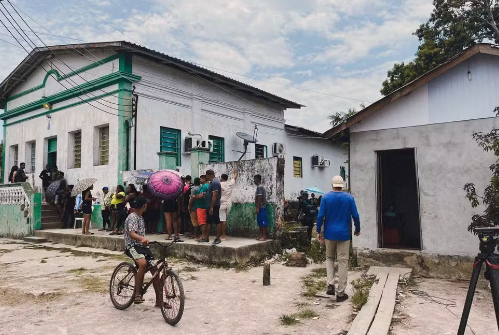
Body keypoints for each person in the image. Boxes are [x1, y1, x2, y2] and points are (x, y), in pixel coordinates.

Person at [316, 176, 360, 303]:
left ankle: (330, 284)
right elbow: (355, 215)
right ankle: (340, 293)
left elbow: (320, 216)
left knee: (329, 258)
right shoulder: (349, 198)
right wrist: (357, 229)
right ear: (343, 185)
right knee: (343, 262)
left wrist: (319, 231)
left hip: (329, 234)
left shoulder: (325, 197)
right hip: (344, 235)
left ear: (332, 185)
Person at [123, 196, 166, 308]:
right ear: (144, 206)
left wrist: (144, 240)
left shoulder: (140, 217)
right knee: (143, 264)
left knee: (155, 270)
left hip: (142, 247)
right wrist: (142, 239)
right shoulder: (132, 217)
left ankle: (159, 301)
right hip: (132, 246)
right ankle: (137, 294)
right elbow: (132, 233)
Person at [204, 170, 222, 245]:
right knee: (208, 222)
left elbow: (215, 195)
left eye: (206, 176)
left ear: (208, 175)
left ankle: (218, 238)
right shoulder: (212, 182)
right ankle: (206, 238)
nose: (206, 177)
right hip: (210, 205)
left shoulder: (215, 182)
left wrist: (211, 207)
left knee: (217, 221)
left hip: (214, 206)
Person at [220, 170, 238, 240]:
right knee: (224, 219)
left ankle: (223, 235)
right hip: (229, 204)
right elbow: (234, 178)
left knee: (223, 220)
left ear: (221, 178)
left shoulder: (220, 184)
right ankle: (223, 234)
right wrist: (236, 172)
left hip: (222, 204)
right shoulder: (230, 183)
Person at [193, 175, 209, 242]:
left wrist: (194, 197)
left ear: (204, 179)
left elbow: (201, 196)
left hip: (202, 206)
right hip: (202, 206)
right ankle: (203, 236)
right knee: (203, 222)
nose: (200, 180)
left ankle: (203, 236)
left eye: (201, 179)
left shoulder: (205, 186)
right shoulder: (204, 186)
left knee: (202, 222)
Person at [254, 174, 269, 241]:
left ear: (258, 180)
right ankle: (261, 235)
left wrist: (258, 207)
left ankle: (264, 236)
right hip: (260, 207)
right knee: (260, 221)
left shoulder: (260, 187)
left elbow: (260, 197)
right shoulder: (258, 187)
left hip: (261, 207)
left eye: (255, 179)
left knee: (263, 222)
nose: (254, 181)